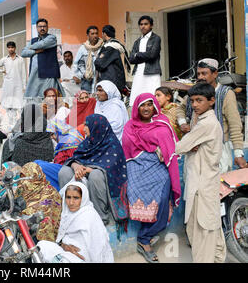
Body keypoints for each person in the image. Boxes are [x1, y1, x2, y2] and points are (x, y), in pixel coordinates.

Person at [122, 93, 181, 263]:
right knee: (135, 190)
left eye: (150, 104)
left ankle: (145, 237)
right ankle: (144, 239)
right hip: (136, 163)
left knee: (163, 194)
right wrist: (150, 150)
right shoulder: (130, 126)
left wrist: (161, 150)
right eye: (142, 105)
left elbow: (171, 145)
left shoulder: (162, 123)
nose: (146, 108)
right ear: (137, 108)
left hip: (158, 164)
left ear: (155, 106)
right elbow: (128, 148)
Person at [175, 83, 226, 263]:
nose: (195, 105)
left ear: (212, 101)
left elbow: (180, 146)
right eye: (193, 101)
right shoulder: (200, 120)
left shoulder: (207, 124)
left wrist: (187, 145)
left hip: (202, 187)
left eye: (199, 101)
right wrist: (190, 145)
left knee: (202, 234)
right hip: (204, 184)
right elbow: (188, 145)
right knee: (211, 230)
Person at [58, 114, 129, 229]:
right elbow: (75, 158)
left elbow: (112, 168)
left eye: (87, 125)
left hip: (101, 182)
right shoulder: (87, 143)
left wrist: (90, 170)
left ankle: (101, 218)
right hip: (83, 175)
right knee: (65, 171)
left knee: (96, 175)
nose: (84, 128)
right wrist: (76, 166)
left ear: (97, 127)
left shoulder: (113, 145)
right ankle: (72, 214)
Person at [176, 58, 246, 172]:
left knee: (218, 185)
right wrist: (182, 123)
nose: (200, 77)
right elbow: (181, 108)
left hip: (218, 149)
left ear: (215, 74)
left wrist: (238, 153)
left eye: (204, 73)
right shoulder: (195, 91)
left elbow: (235, 124)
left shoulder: (226, 94)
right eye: (198, 74)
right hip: (195, 147)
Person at [37, 181, 114, 263]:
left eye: (76, 198)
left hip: (85, 260)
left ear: (83, 198)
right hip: (68, 255)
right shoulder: (66, 213)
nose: (71, 202)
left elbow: (98, 247)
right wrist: (63, 246)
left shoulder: (89, 215)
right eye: (68, 197)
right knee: (42, 245)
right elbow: (59, 238)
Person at [16, 162, 62, 242]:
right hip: (21, 231)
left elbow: (45, 217)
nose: (22, 181)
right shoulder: (21, 190)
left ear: (35, 176)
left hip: (41, 239)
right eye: (21, 177)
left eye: (26, 177)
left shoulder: (50, 193)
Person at [22, 18, 65, 100]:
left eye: (44, 26)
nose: (42, 28)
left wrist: (30, 48)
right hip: (35, 75)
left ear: (47, 27)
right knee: (33, 99)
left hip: (49, 74)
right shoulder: (33, 40)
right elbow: (23, 53)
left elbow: (43, 44)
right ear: (37, 28)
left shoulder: (52, 38)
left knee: (49, 98)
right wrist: (35, 52)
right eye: (40, 26)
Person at [128, 16, 162, 107]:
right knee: (137, 99)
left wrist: (137, 54)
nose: (143, 26)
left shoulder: (156, 38)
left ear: (151, 25)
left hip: (152, 73)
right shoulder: (137, 41)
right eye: (141, 24)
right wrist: (142, 55)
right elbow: (131, 59)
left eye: (146, 24)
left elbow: (152, 55)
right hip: (139, 72)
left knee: (152, 99)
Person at [0, 41, 27, 126]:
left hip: (18, 86)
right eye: (9, 47)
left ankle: (20, 124)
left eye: (12, 47)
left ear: (15, 48)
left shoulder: (20, 59)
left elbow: (23, 73)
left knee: (20, 104)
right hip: (8, 86)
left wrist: (24, 86)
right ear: (7, 48)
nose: (11, 49)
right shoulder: (4, 59)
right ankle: (11, 125)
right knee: (9, 105)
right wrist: (2, 71)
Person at [95, 25, 130, 94]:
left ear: (104, 33)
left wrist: (97, 58)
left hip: (111, 83)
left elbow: (99, 64)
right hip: (115, 81)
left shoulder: (110, 47)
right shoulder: (116, 46)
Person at [74, 25, 104, 93]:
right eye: (92, 34)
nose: (95, 36)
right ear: (87, 35)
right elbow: (76, 64)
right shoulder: (83, 48)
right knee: (88, 101)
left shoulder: (103, 47)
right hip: (87, 82)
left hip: (100, 80)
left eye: (96, 33)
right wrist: (83, 75)